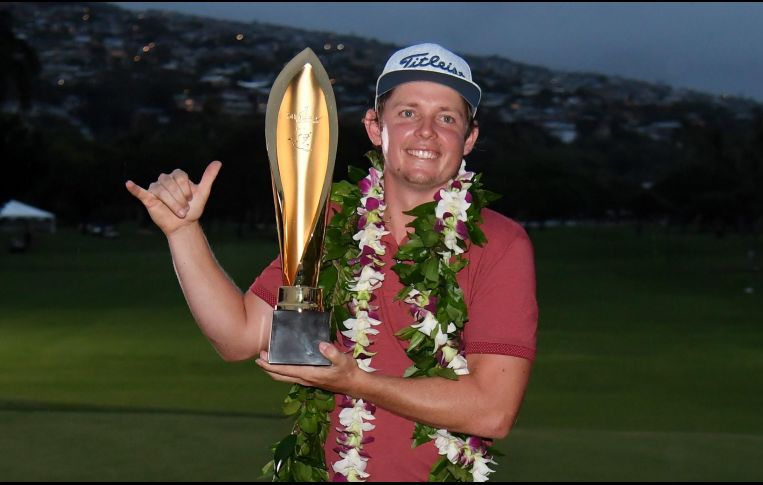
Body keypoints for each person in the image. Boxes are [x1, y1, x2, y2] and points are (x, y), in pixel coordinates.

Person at [126, 43, 537, 482]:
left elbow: (492, 411)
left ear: (469, 139)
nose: (426, 131)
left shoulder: (499, 242)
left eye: (447, 118)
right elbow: (239, 337)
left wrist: (355, 382)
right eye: (407, 113)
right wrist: (183, 232)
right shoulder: (332, 223)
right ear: (375, 128)